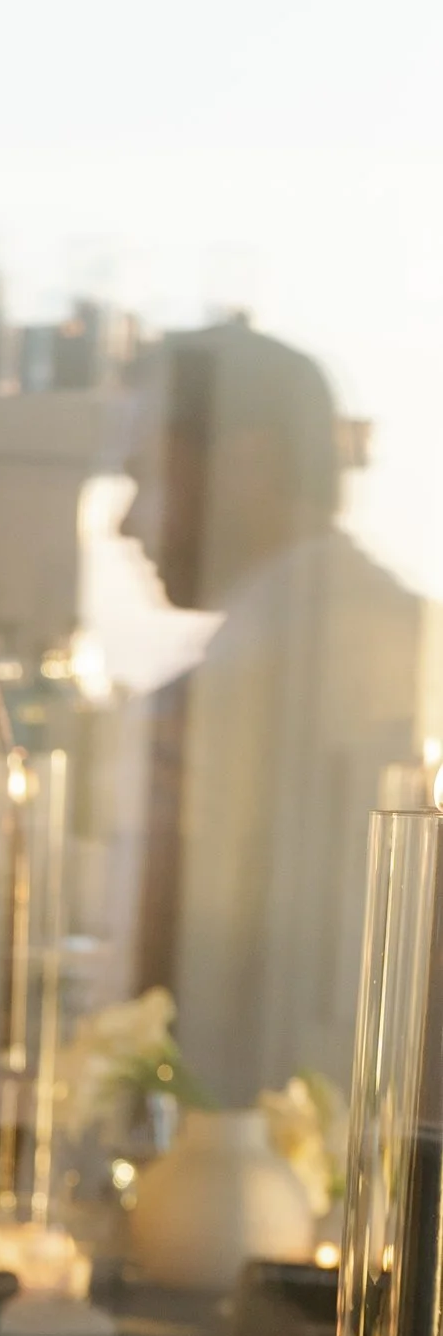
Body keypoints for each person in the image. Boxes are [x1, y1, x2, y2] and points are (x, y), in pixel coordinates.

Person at [122, 316, 435, 1101]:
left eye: (147, 475)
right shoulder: (397, 640)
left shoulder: (254, 685)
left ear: (246, 464)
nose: (127, 522)